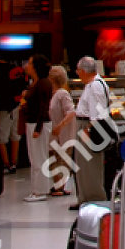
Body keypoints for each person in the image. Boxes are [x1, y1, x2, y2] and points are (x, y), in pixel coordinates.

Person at [72, 56, 114, 204]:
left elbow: (96, 113)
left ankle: (94, 198)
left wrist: (87, 130)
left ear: (83, 71)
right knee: (82, 165)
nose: (77, 73)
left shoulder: (95, 85)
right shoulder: (93, 84)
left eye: (78, 71)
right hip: (86, 126)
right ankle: (85, 197)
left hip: (89, 127)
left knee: (90, 166)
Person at [21, 56, 56, 201]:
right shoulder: (36, 82)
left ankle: (40, 191)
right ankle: (39, 188)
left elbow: (44, 107)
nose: (27, 66)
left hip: (38, 123)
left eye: (29, 63)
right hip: (32, 122)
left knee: (39, 158)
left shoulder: (43, 83)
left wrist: (38, 128)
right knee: (35, 157)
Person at [47, 65, 77, 197]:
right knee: (53, 160)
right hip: (54, 135)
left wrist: (60, 125)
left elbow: (71, 112)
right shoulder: (53, 95)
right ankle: (58, 184)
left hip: (63, 135)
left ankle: (61, 186)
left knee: (62, 160)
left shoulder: (62, 94)